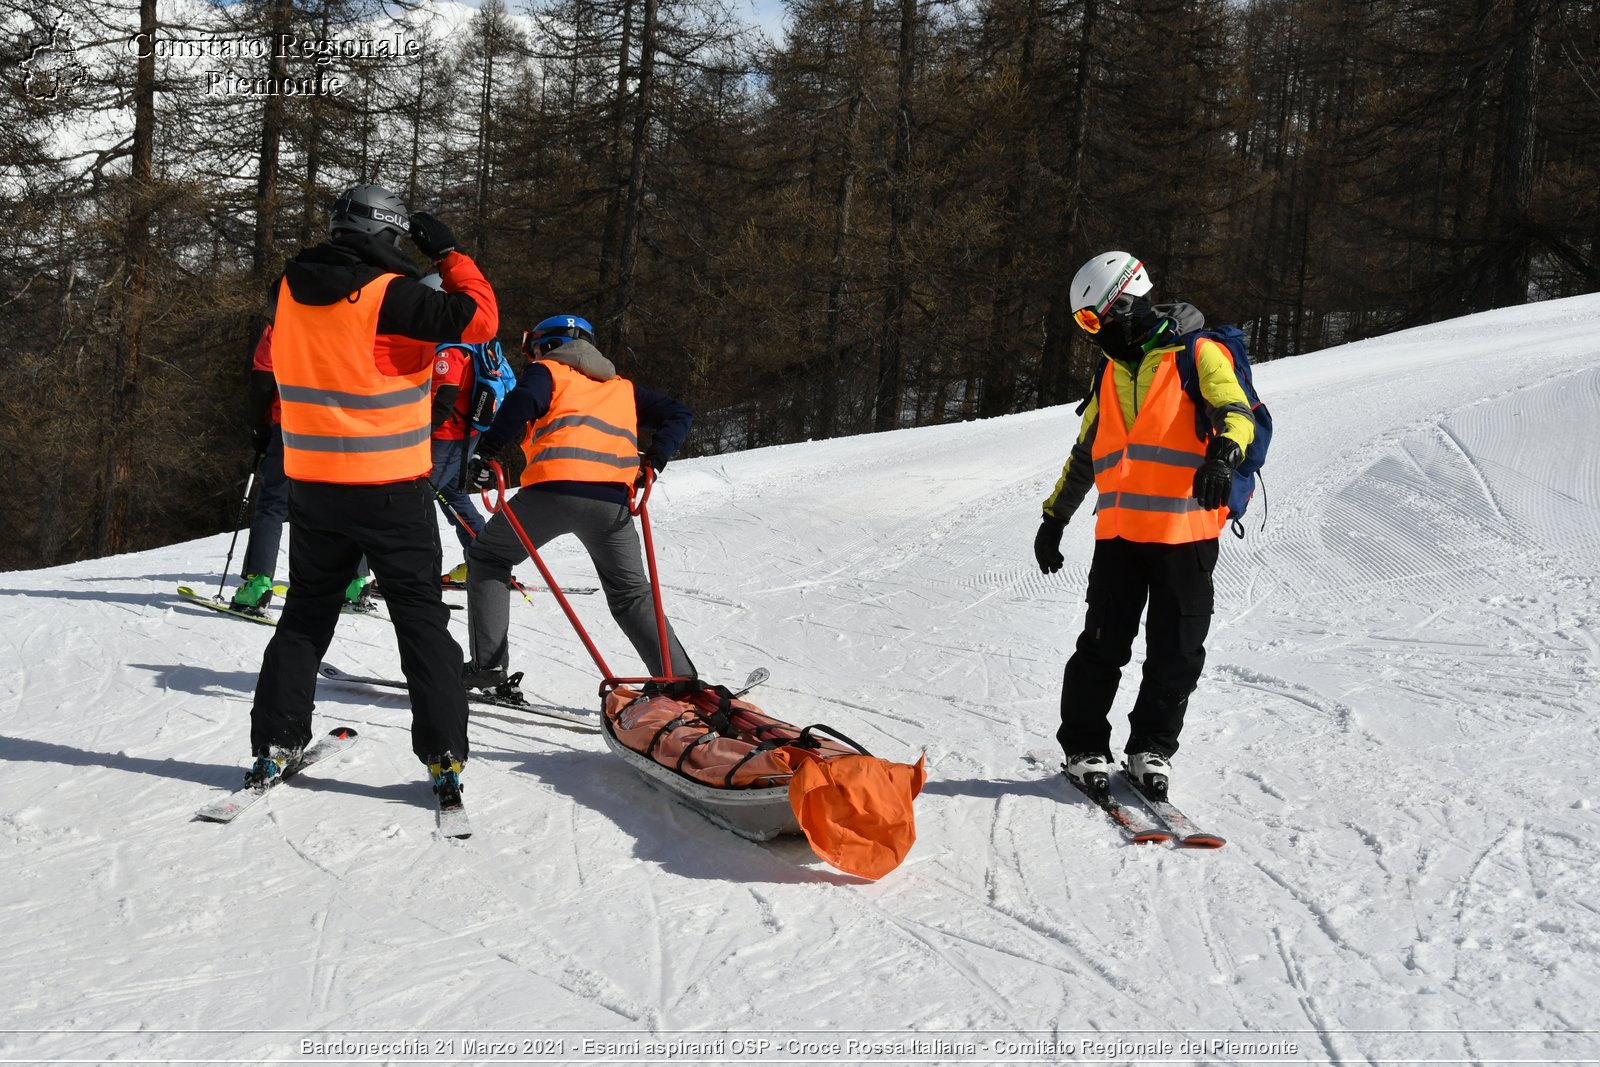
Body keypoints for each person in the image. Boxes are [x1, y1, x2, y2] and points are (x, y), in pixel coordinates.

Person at [245, 184, 497, 811]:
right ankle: (443, 754)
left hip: (313, 485)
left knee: (305, 614)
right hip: (388, 488)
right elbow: (481, 319)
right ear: (388, 235)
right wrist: (449, 253)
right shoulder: (392, 296)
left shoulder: (288, 291)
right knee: (421, 622)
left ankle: (276, 741)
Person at [1034, 251, 1255, 801]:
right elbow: (1086, 452)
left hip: (1186, 536)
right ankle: (1085, 746)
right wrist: (1053, 518)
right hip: (1119, 538)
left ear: (1124, 301)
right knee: (1102, 647)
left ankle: (1151, 747)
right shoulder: (1110, 370)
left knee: (1176, 650)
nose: (1092, 333)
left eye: (1093, 318)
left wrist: (1225, 454)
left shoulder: (1197, 354)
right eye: (1083, 323)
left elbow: (1237, 410)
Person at [462, 315, 696, 700]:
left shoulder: (548, 371)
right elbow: (679, 413)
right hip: (612, 504)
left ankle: (487, 665)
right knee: (632, 594)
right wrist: (654, 460)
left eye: (534, 347)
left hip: (552, 492)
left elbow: (521, 401)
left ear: (547, 345)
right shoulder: (622, 389)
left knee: (489, 558)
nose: (532, 355)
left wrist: (486, 453)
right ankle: (681, 684)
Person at [232, 324, 375, 616]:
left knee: (273, 504)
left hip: (293, 427)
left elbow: (262, 382)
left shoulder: (279, 328)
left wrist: (258, 427)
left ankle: (257, 585)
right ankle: (355, 581)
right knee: (342, 503)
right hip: (337, 427)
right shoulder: (344, 323)